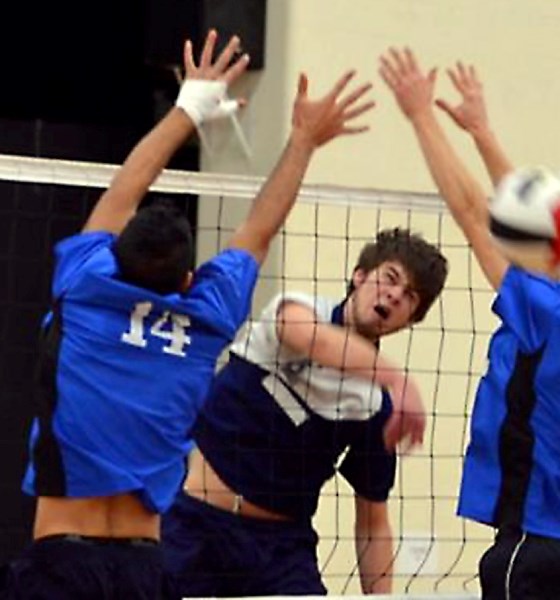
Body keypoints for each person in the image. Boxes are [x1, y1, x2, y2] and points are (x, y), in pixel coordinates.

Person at [2, 29, 376, 600]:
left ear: (114, 259)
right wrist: (302, 139)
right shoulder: (208, 316)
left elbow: (124, 188)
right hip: (145, 569)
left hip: (61, 565)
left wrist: (189, 108)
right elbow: (260, 227)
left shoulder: (85, 287)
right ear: (187, 279)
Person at [379, 49, 560, 600]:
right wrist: (483, 132)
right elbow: (535, 232)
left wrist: (420, 115)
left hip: (531, 555)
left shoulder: (557, 319)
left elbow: (472, 213)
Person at [161, 227, 448, 596]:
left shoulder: (375, 405)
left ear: (410, 319)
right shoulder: (298, 310)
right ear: (359, 276)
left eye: (410, 297)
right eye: (389, 279)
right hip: (194, 525)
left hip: (279, 551)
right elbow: (307, 336)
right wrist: (398, 378)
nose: (394, 295)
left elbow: (373, 521)